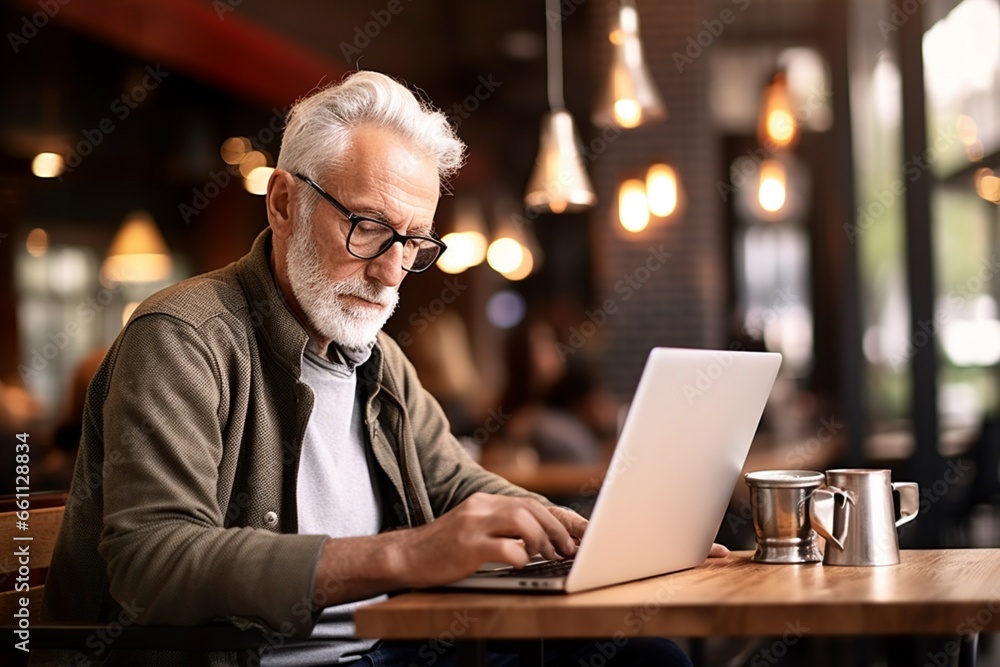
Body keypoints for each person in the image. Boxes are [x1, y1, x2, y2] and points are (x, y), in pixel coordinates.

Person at [40, 71, 721, 666]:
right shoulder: (184, 338)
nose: (393, 270)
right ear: (283, 202)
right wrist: (406, 553)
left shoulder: (378, 358)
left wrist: (602, 537)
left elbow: (455, 482)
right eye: (367, 227)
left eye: (412, 240)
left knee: (645, 655)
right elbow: (151, 561)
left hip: (392, 650)